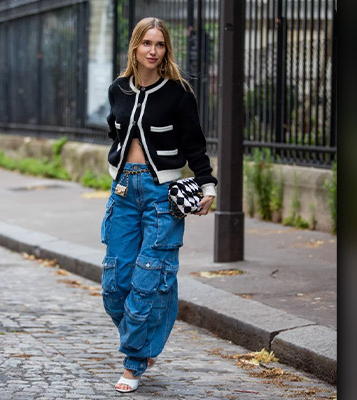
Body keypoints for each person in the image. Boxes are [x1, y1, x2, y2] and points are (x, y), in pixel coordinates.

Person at [100, 17, 218, 393]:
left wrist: (207, 186)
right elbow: (115, 129)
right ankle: (147, 341)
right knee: (115, 284)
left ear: (166, 50)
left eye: (160, 44)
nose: (153, 51)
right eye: (146, 43)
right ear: (135, 46)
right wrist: (117, 163)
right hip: (122, 192)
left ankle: (134, 362)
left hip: (159, 195)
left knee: (150, 279)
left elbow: (195, 145)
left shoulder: (179, 93)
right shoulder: (118, 89)